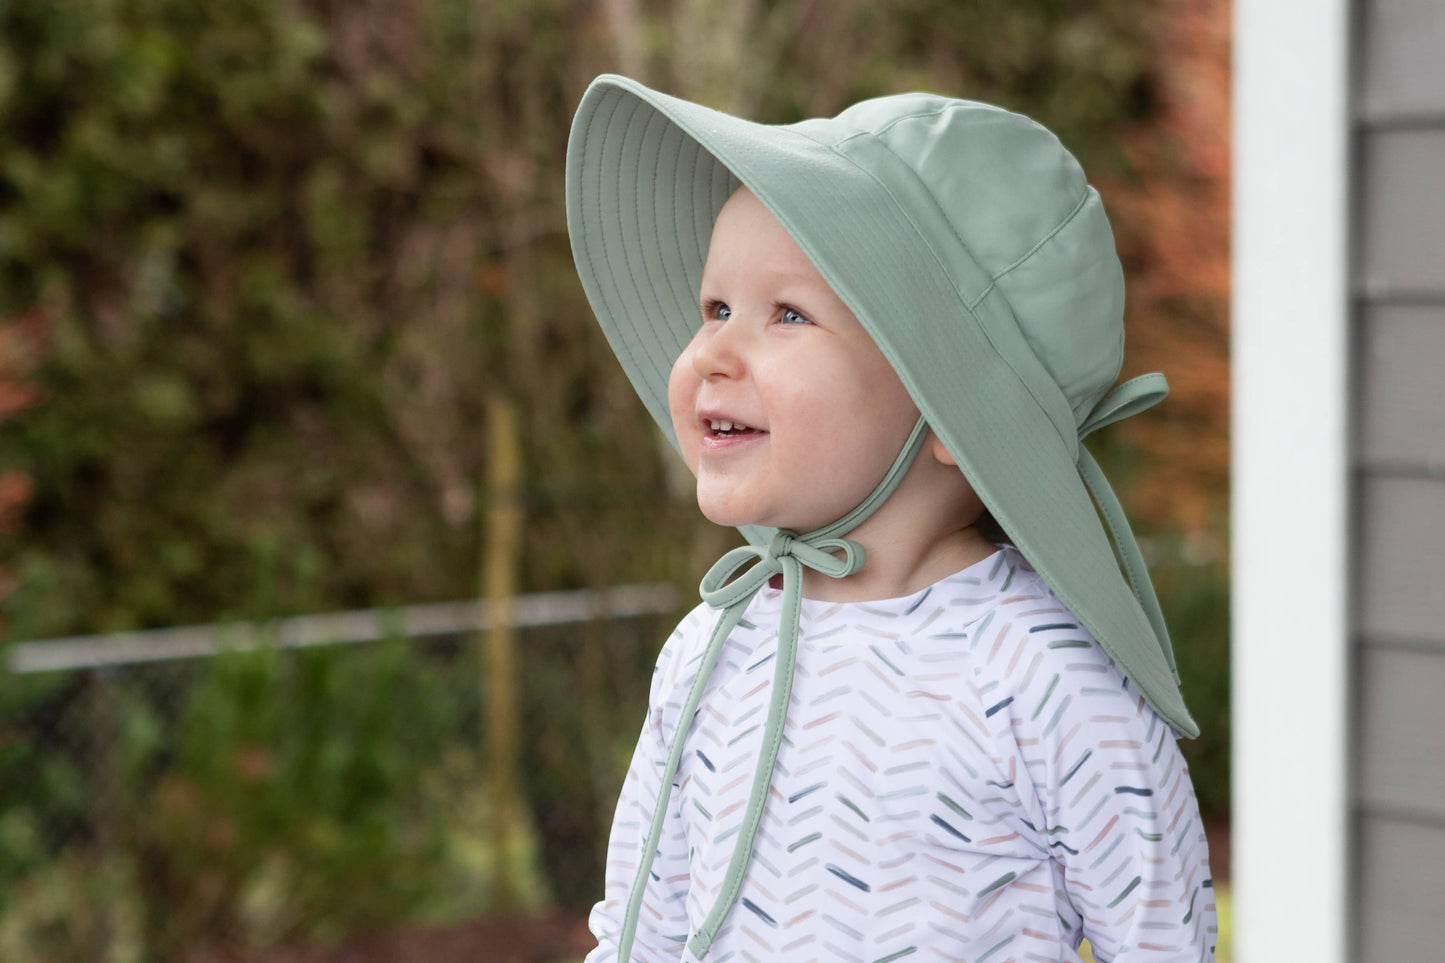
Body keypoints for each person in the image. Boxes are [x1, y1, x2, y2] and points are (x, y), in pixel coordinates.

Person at [565, 73, 1217, 963]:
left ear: (952, 407)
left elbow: (1160, 941)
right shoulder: (711, 650)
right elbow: (642, 929)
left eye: (785, 313)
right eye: (714, 308)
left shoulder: (1045, 678)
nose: (710, 352)